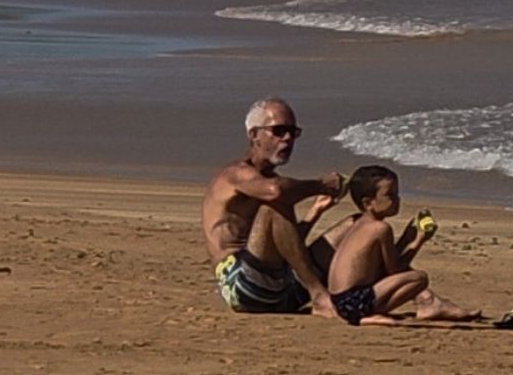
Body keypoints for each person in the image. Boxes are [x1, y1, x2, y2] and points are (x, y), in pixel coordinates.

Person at [201, 97, 351, 317]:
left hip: (282, 287)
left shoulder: (272, 182)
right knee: (275, 205)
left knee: (353, 224)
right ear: (254, 135)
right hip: (243, 287)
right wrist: (321, 185)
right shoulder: (235, 174)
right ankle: (319, 295)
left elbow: (286, 244)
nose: (288, 139)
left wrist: (315, 212)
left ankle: (367, 295)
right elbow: (275, 192)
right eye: (279, 131)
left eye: (293, 132)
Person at [326, 165, 479, 326]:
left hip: (339, 301)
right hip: (354, 301)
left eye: (397, 194)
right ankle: (370, 314)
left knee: (408, 277)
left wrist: (406, 240)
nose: (397, 200)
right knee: (419, 278)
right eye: (390, 195)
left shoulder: (360, 222)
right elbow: (393, 270)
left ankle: (423, 303)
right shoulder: (381, 228)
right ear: (368, 202)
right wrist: (419, 242)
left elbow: (383, 264)